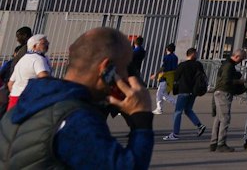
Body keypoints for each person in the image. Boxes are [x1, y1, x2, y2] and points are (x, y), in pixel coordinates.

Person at [0, 26, 156, 170]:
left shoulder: (22, 107)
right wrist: (141, 118)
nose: (126, 76)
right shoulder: (76, 120)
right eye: (123, 68)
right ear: (106, 68)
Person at [167, 47, 207, 140]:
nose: (197, 55)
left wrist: (174, 89)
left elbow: (176, 77)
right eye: (196, 54)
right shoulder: (198, 65)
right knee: (188, 109)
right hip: (194, 91)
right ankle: (199, 125)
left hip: (184, 90)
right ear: (192, 54)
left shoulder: (182, 65)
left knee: (178, 112)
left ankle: (175, 133)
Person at [209, 48, 245, 151]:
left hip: (220, 92)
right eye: (241, 59)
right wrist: (240, 81)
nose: (241, 61)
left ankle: (214, 142)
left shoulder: (227, 64)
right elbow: (226, 81)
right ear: (237, 56)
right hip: (224, 92)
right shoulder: (229, 66)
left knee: (219, 118)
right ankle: (221, 143)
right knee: (225, 118)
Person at [6, 33, 50, 112]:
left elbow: (10, 84)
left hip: (14, 98)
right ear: (34, 46)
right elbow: (45, 78)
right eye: (44, 43)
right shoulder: (38, 59)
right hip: (29, 100)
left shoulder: (22, 60)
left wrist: (17, 92)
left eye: (47, 43)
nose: (47, 45)